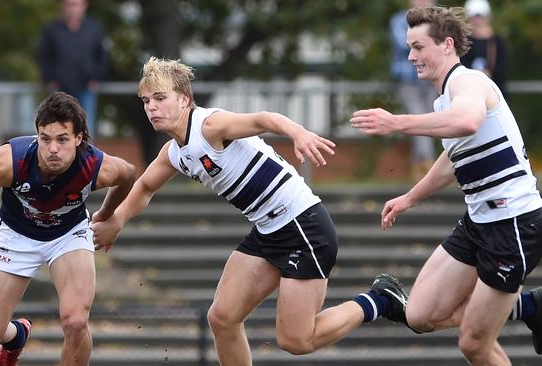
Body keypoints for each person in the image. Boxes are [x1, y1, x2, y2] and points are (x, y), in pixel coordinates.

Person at [91, 57, 412, 365]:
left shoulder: (210, 126)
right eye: (147, 101)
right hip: (268, 230)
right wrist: (117, 220)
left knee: (296, 340)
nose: (152, 108)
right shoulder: (175, 152)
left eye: (160, 98)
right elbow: (145, 187)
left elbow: (262, 119)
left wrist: (297, 133)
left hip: (304, 227)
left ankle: (380, 299)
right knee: (222, 318)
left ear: (185, 99)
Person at [350, 5, 542, 365]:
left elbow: (468, 121)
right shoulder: (444, 100)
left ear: (447, 45)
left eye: (419, 47)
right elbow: (454, 158)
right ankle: (527, 306)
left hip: (513, 224)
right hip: (479, 222)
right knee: (419, 315)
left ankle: (523, 306)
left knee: (473, 342)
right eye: (409, 47)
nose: (411, 56)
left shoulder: (466, 82)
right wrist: (409, 197)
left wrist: (396, 122)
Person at [0, 92, 136, 366]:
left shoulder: (95, 166)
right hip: (15, 233)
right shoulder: (11, 161)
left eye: (62, 139)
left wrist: (107, 214)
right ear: (37, 135)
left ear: (79, 138)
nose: (53, 148)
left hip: (68, 234)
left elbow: (128, 174)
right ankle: (17, 335)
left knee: (76, 321)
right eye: (46, 139)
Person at [38, 0, 107, 137]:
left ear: (84, 5)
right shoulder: (52, 30)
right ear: (63, 6)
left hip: (85, 89)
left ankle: (85, 158)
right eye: (69, 4)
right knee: (56, 128)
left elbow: (103, 55)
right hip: (58, 90)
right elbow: (42, 56)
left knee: (87, 129)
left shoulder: (94, 28)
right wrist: (49, 79)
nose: (73, 8)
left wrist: (96, 78)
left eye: (75, 4)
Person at [389, 0, 438, 181]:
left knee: (429, 122)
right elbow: (406, 44)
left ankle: (421, 169)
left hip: (431, 79)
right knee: (418, 119)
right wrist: (427, 41)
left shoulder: (438, 20)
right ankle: (428, 165)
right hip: (408, 81)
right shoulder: (398, 20)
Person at [461, 0, 508, 99]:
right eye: (474, 17)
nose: (477, 20)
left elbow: (502, 69)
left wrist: (488, 74)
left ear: (488, 17)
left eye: (480, 16)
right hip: (469, 96)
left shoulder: (498, 42)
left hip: (495, 96)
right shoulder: (462, 42)